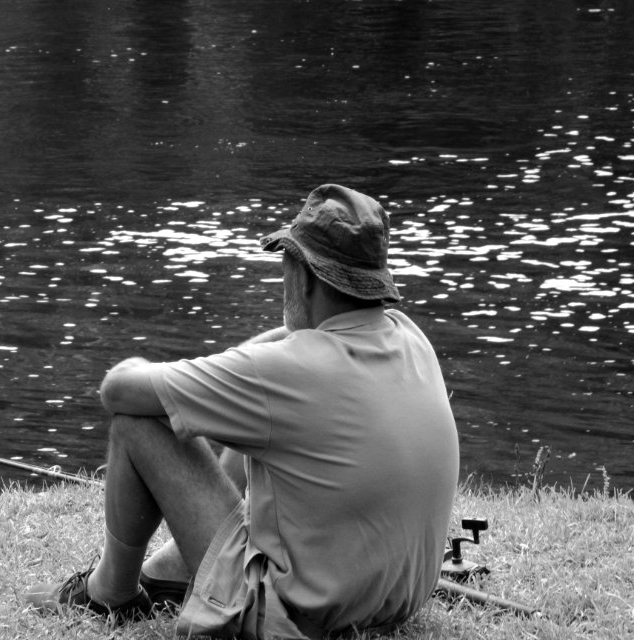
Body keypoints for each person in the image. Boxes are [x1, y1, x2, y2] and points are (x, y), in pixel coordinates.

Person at [24, 184, 460, 639]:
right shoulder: (410, 338)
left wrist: (197, 365)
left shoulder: (288, 371)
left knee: (137, 426)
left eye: (286, 262)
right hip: (394, 601)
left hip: (291, 614)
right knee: (252, 434)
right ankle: (169, 573)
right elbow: (289, 362)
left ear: (305, 277)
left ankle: (110, 592)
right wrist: (252, 360)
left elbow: (118, 390)